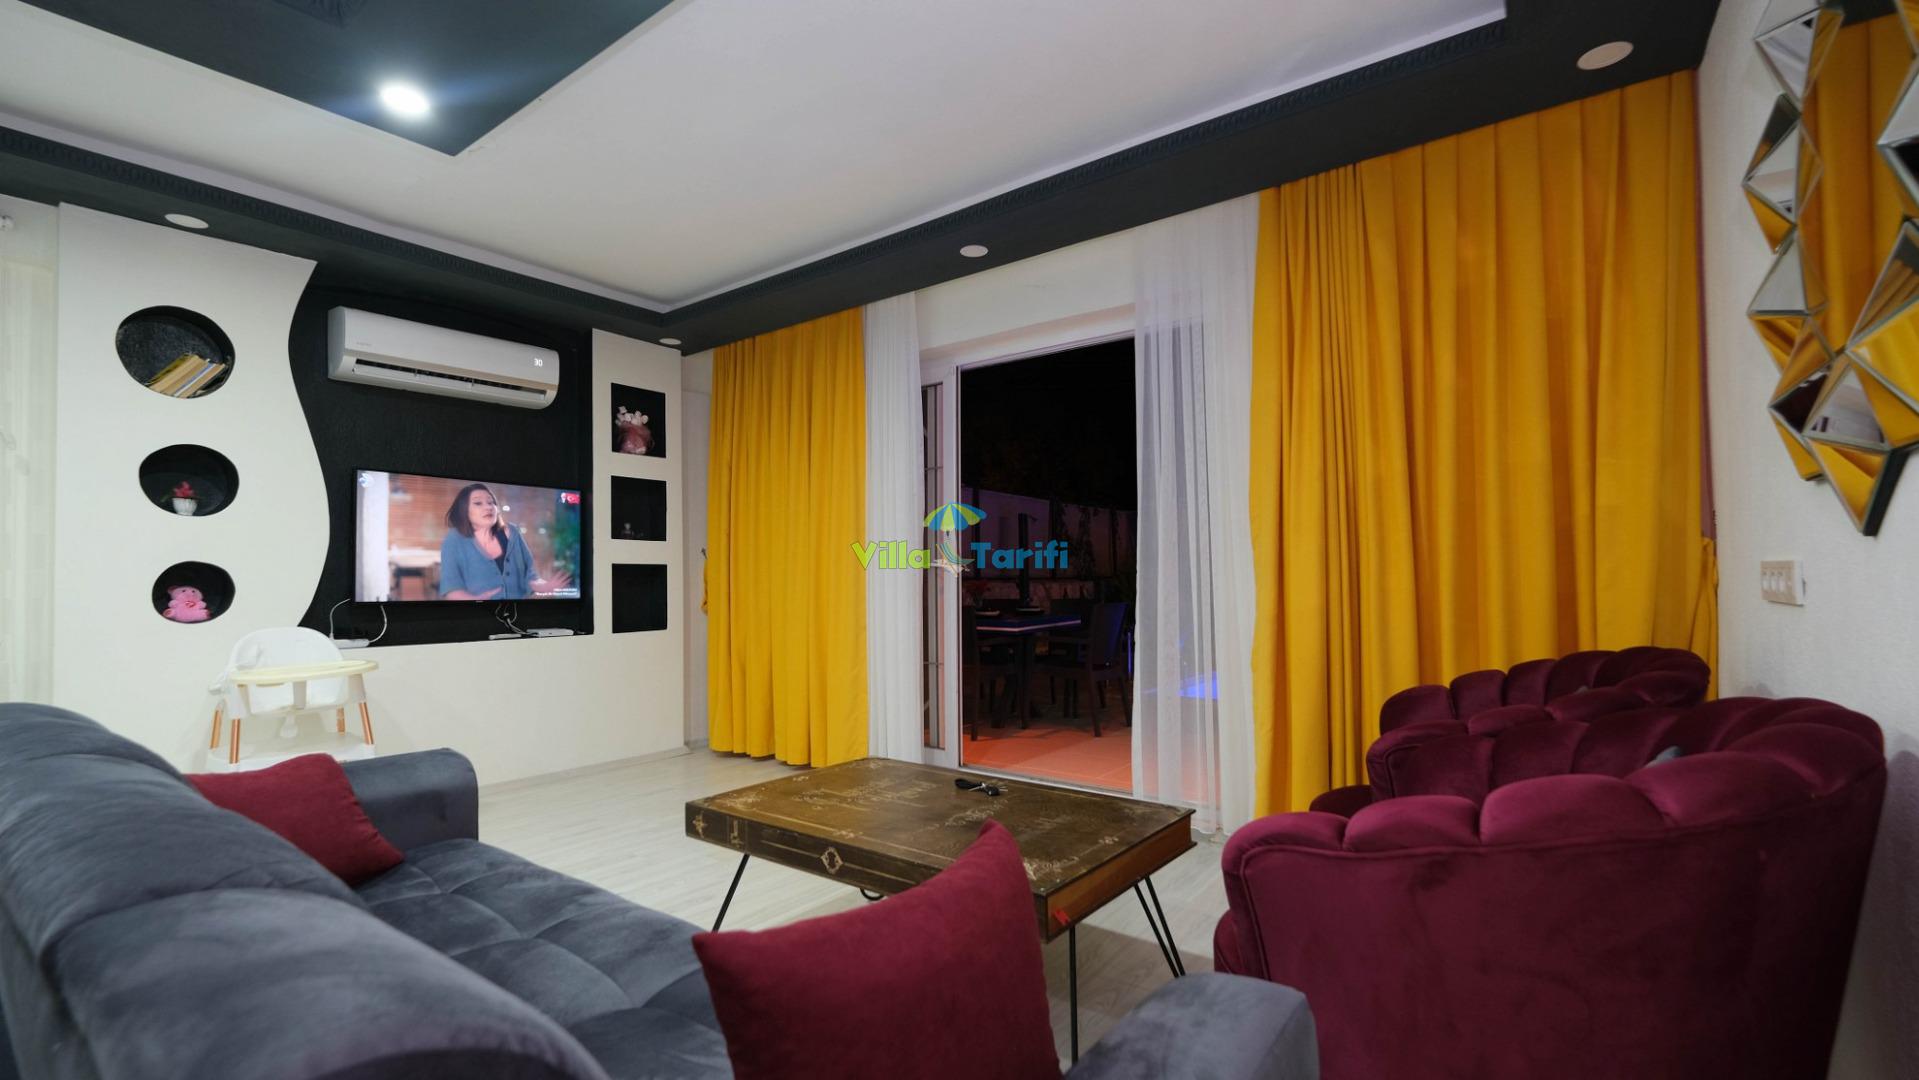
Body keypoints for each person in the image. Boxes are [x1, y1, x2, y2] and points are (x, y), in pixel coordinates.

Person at [437, 483, 571, 600]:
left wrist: (545, 587)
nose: (488, 507)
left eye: (491, 502)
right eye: (478, 503)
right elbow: (451, 589)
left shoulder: (512, 533)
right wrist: (476, 600)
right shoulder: (454, 539)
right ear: (464, 510)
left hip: (518, 614)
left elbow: (529, 577)